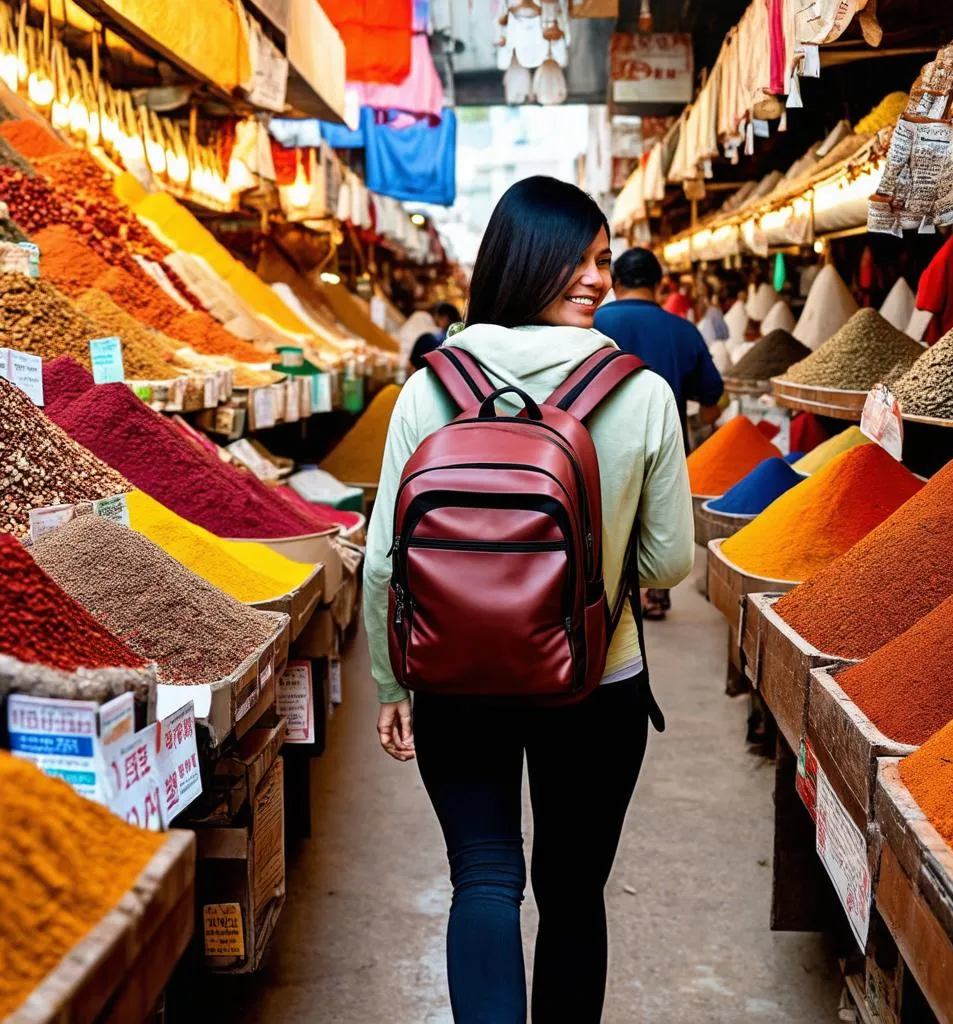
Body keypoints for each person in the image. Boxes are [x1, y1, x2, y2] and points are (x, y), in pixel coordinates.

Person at [363, 176, 693, 1024]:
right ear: (528, 259)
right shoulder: (643, 392)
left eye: (603, 259)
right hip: (596, 681)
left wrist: (391, 685)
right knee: (574, 892)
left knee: (482, 873)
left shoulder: (429, 388)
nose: (598, 277)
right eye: (580, 258)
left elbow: (379, 566)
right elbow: (666, 563)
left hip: (454, 677)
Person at [593, 247, 724, 621]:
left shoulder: (590, 324)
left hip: (599, 447)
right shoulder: (683, 331)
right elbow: (713, 398)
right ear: (658, 285)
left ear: (615, 282)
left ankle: (603, 593)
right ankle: (653, 596)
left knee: (606, 521)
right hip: (665, 445)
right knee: (660, 521)